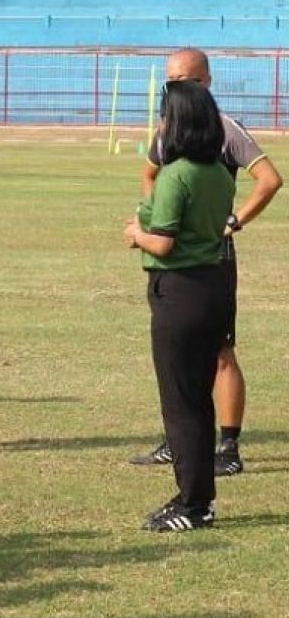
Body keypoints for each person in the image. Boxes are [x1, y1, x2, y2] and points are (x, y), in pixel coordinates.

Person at [130, 48, 282, 476]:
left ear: (207, 83)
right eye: (172, 81)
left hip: (213, 258)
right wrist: (154, 214)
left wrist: (234, 221)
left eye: (187, 81)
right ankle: (178, 441)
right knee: (179, 357)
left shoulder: (224, 130)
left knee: (220, 352)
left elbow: (270, 179)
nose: (178, 88)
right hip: (174, 263)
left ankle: (229, 448)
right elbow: (148, 174)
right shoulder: (166, 130)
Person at [124, 80, 234, 531]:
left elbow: (164, 243)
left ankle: (192, 504)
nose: (160, 125)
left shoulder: (177, 174)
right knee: (199, 399)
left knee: (181, 401)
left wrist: (135, 234)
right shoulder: (220, 174)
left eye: (165, 116)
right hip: (214, 287)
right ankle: (199, 497)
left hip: (180, 292)